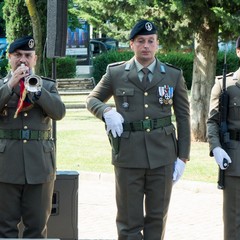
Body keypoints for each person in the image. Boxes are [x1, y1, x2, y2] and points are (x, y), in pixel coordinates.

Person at [86, 20, 191, 240]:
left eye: (151, 41)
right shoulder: (116, 73)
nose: (146, 46)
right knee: (128, 221)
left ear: (157, 44)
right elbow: (92, 99)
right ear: (132, 44)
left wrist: (183, 157)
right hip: (128, 156)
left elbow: (183, 117)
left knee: (156, 218)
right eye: (141, 41)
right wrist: (106, 111)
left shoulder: (173, 75)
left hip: (162, 156)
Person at [0, 36, 66, 238]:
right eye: (17, 55)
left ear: (35, 59)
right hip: (5, 166)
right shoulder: (3, 85)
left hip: (39, 165)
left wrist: (38, 92)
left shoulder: (47, 86)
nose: (23, 60)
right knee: (5, 228)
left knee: (37, 228)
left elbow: (59, 113)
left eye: (28, 56)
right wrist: (11, 84)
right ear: (8, 58)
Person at [207, 36, 240, 240]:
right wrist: (216, 147)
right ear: (238, 52)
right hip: (235, 161)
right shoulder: (224, 84)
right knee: (233, 223)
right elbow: (212, 121)